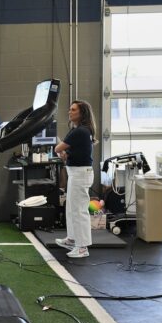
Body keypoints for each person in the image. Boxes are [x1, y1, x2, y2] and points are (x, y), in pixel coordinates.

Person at [54, 100, 97, 259]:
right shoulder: (81, 130)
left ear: (81, 113)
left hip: (80, 174)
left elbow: (58, 148)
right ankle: (72, 239)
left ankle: (82, 247)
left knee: (79, 211)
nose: (69, 112)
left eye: (73, 110)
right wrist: (67, 154)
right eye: (69, 109)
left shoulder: (80, 131)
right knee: (71, 209)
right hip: (76, 173)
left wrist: (63, 152)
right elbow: (73, 152)